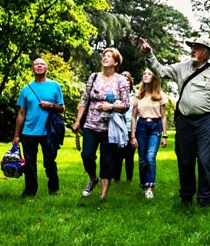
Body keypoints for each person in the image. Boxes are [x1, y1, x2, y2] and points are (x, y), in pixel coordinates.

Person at [139, 37, 210, 207]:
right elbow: (160, 70)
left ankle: (204, 199)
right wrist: (150, 54)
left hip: (206, 121)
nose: (193, 50)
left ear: (206, 54)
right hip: (184, 121)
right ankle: (186, 196)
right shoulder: (182, 67)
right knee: (185, 160)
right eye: (193, 47)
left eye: (198, 48)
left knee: (204, 159)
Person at [72, 48, 130, 201]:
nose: (105, 58)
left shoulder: (121, 80)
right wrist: (78, 120)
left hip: (110, 127)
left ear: (116, 62)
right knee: (87, 155)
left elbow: (126, 105)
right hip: (91, 124)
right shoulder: (94, 77)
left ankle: (103, 195)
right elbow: (85, 99)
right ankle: (92, 179)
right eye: (104, 56)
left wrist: (110, 106)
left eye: (109, 57)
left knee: (107, 160)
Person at [13, 58, 65, 197]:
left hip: (49, 132)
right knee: (30, 164)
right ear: (32, 68)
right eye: (36, 64)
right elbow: (21, 113)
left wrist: (51, 106)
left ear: (47, 68)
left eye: (42, 64)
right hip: (29, 132)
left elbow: (62, 108)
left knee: (49, 162)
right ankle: (30, 191)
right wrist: (16, 135)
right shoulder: (26, 89)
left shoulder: (55, 86)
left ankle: (53, 188)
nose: (39, 66)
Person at [130, 68, 168, 199]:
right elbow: (134, 117)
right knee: (142, 160)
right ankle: (143, 183)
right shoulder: (138, 95)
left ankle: (149, 187)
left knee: (150, 157)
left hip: (155, 127)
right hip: (141, 126)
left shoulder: (159, 95)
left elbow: (163, 116)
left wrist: (165, 135)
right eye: (144, 73)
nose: (145, 75)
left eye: (149, 74)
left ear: (155, 77)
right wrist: (133, 136)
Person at [113, 71, 137, 183]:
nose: (125, 81)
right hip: (118, 127)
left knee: (129, 155)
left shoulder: (135, 95)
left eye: (127, 79)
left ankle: (129, 179)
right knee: (118, 155)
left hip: (130, 128)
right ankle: (116, 178)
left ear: (130, 82)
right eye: (122, 79)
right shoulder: (115, 94)